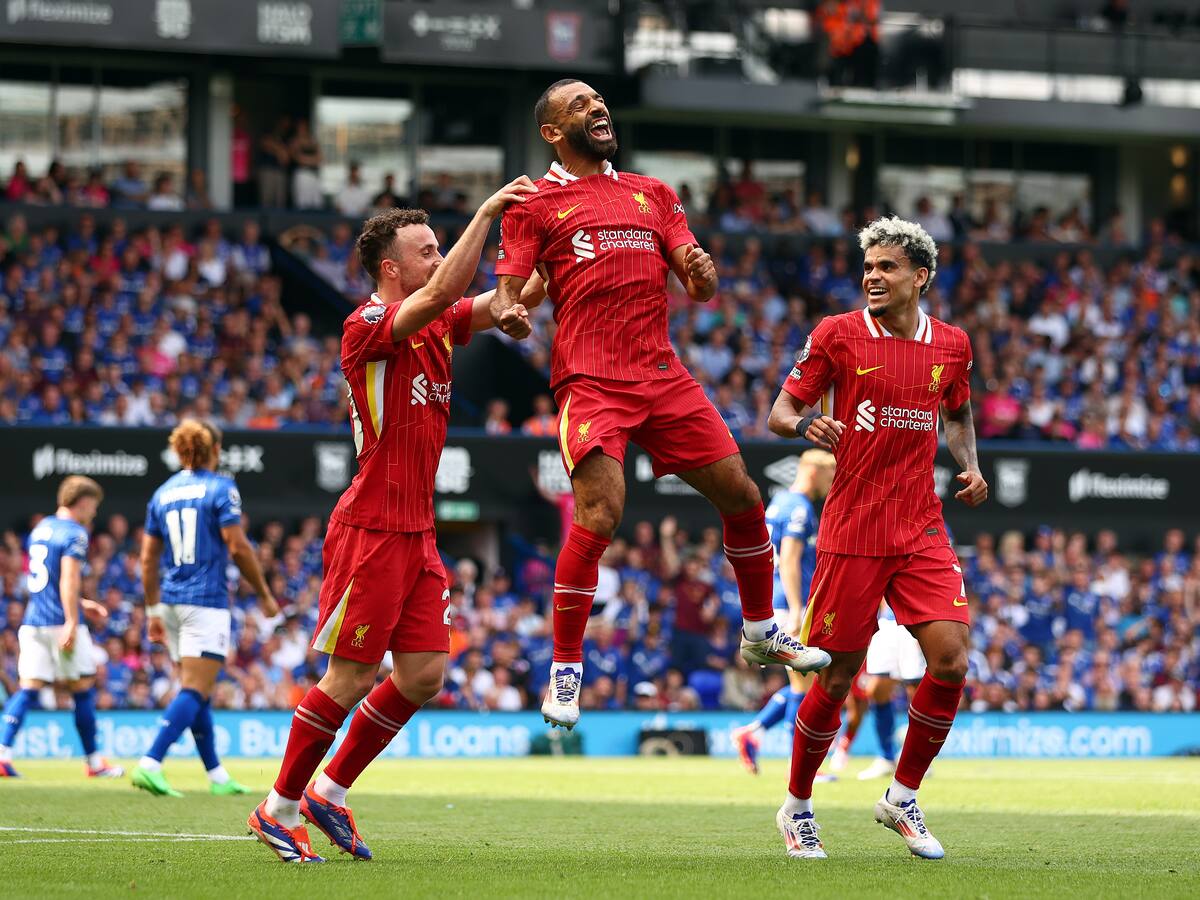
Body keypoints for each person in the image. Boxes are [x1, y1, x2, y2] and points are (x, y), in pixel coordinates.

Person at [490, 78, 830, 730]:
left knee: (743, 495)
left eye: (599, 101)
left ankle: (761, 629)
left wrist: (702, 273)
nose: (598, 109)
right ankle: (566, 667)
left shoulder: (654, 193)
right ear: (552, 131)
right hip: (592, 380)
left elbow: (698, 281)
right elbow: (511, 291)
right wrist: (508, 312)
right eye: (580, 105)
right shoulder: (535, 203)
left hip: (662, 375)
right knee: (600, 513)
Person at [247, 181, 546, 864]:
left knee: (423, 675)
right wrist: (487, 213)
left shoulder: (436, 321)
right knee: (348, 677)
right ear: (392, 268)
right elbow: (444, 295)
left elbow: (506, 299)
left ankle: (330, 791)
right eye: (427, 249)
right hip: (373, 524)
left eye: (441, 248)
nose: (439, 258)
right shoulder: (365, 326)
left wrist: (552, 251)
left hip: (417, 529)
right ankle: (277, 807)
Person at [767, 215, 988, 860]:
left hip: (921, 526)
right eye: (867, 267)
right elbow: (779, 413)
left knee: (950, 659)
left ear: (920, 277)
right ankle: (797, 807)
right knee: (834, 681)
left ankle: (901, 797)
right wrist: (807, 424)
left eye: (886, 267)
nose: (873, 277)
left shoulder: (951, 345)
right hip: (853, 530)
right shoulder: (837, 335)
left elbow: (960, 410)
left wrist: (969, 463)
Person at [130, 420, 280, 798]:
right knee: (196, 688)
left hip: (171, 601)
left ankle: (216, 775)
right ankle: (151, 762)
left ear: (179, 451)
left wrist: (152, 611)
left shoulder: (161, 493)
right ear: (214, 449)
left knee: (198, 687)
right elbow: (238, 545)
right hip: (205, 601)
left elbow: (148, 559)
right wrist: (262, 591)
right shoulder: (221, 488)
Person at [0, 476, 123, 779]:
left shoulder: (41, 529)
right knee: (82, 689)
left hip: (33, 622)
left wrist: (81, 603)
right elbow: (68, 578)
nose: (93, 513)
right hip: (59, 625)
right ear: (82, 503)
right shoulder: (75, 533)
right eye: (93, 506)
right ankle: (95, 763)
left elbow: (47, 583)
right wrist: (72, 619)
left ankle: (2, 755)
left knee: (28, 688)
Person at [731, 449, 836, 775]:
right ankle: (804, 768)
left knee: (799, 685)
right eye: (830, 476)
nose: (831, 484)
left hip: (773, 600)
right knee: (805, 685)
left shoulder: (778, 503)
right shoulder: (799, 508)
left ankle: (754, 732)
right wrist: (796, 608)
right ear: (813, 472)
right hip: (789, 602)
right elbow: (789, 559)